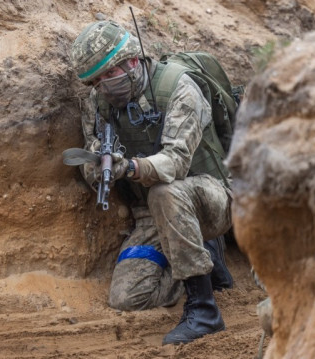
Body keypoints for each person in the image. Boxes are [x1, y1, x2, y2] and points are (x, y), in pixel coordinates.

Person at [69, 20, 234, 345]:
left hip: (212, 198)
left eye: (109, 73)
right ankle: (201, 255)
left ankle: (204, 311)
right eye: (96, 80)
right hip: (155, 214)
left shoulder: (180, 86)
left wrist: (129, 166)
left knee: (164, 191)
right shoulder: (100, 103)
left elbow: (174, 163)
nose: (104, 85)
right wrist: (98, 168)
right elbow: (93, 153)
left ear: (131, 60)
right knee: (127, 297)